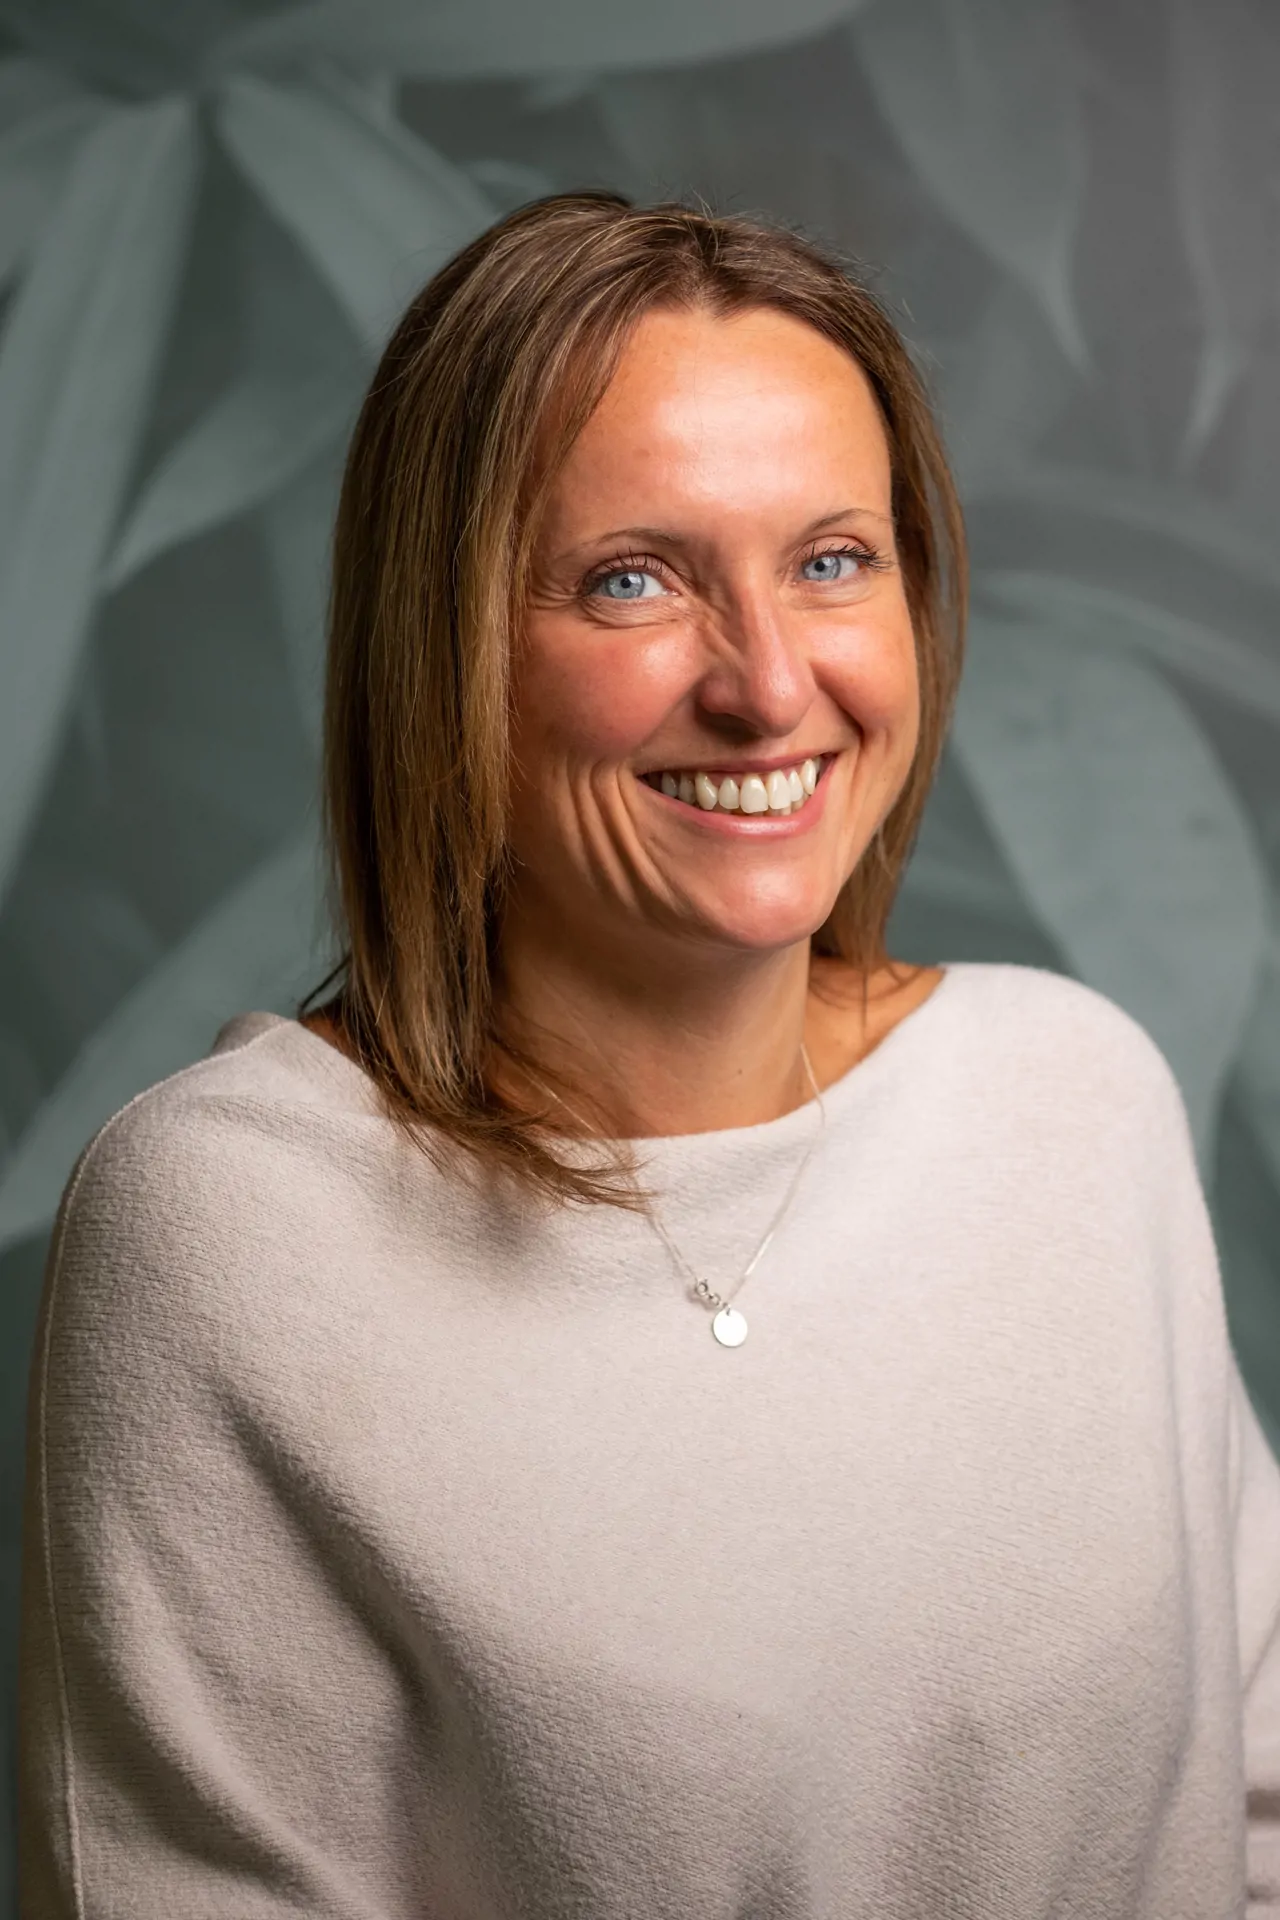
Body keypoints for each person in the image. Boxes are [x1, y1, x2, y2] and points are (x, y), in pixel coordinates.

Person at [16, 192, 1280, 1918]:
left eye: (834, 560)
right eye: (635, 581)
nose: (771, 687)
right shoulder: (231, 1228)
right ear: (447, 646)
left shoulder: (1082, 1098)